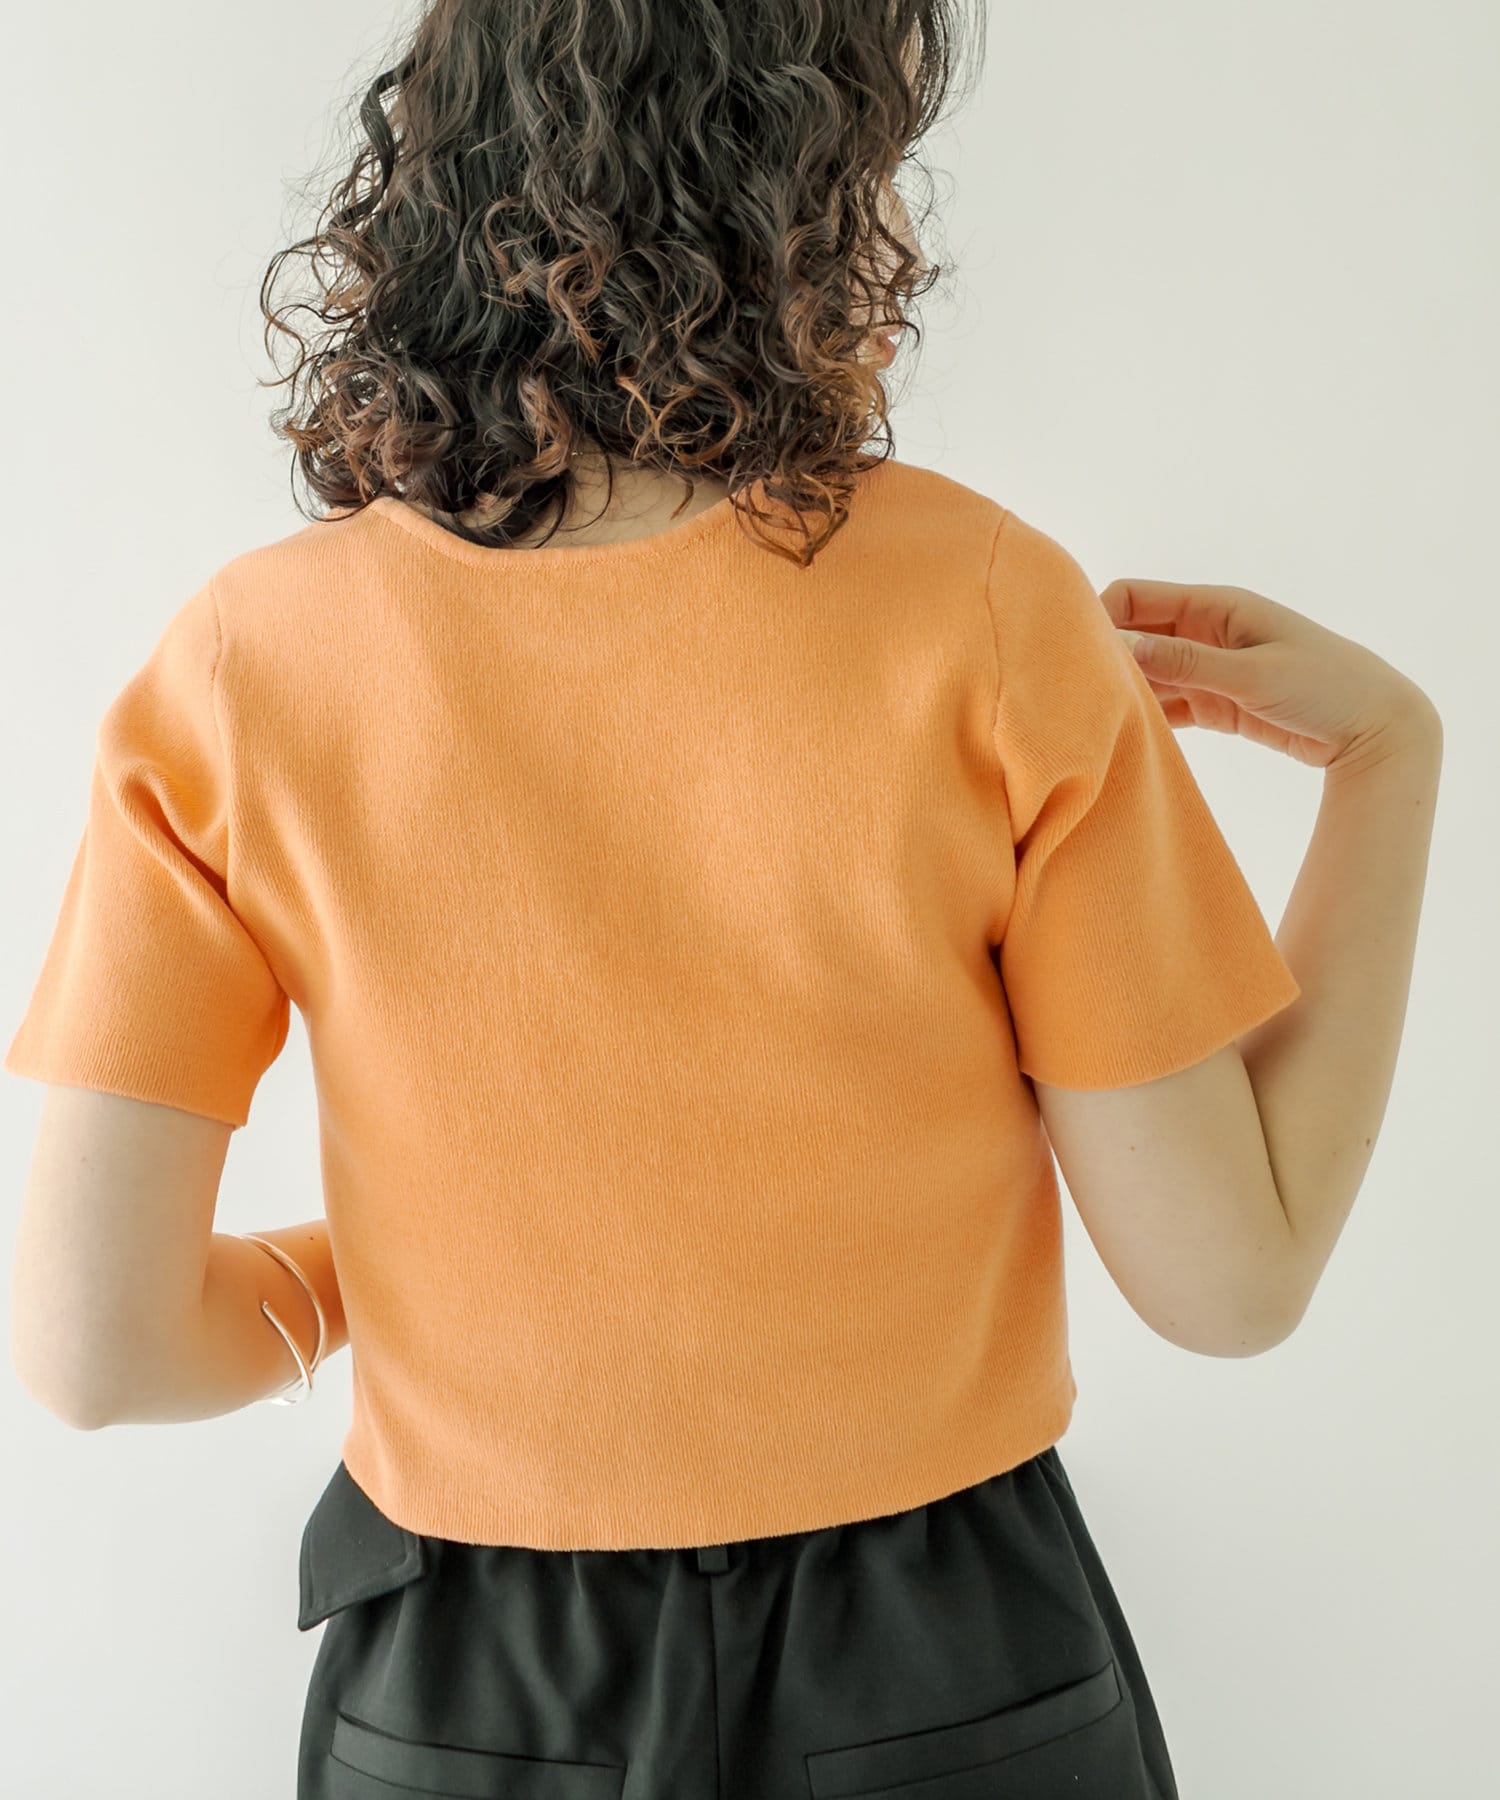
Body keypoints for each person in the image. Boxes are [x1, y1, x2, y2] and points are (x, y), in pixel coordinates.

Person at [6, 3, 1442, 1797]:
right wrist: (1388, 762)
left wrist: (399, 1270)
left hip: (466, 1683)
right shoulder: (986, 607)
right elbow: (1232, 1282)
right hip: (948, 1656)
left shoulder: (247, 667)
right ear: (797, 186)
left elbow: (97, 1348)